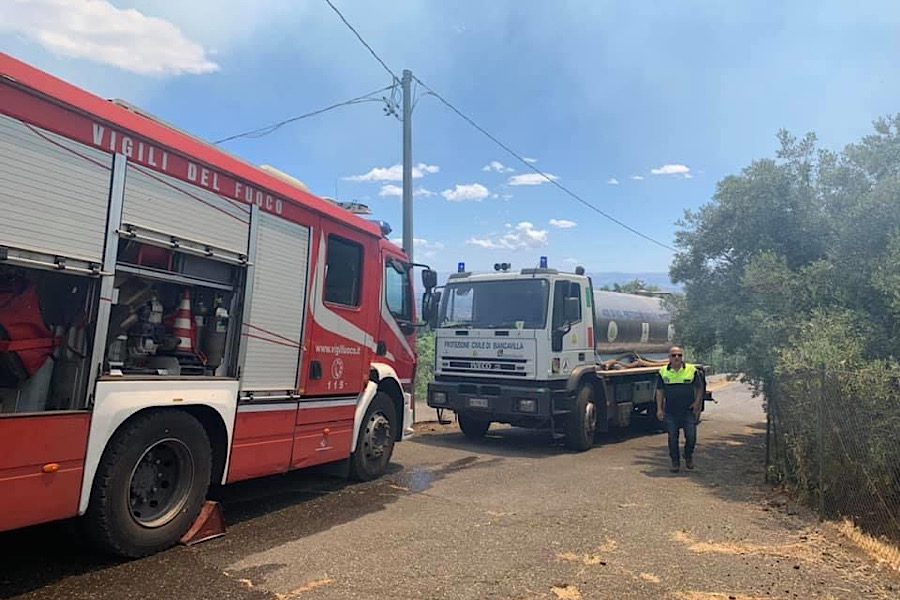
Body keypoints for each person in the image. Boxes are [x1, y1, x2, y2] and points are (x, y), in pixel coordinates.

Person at [655, 346, 704, 472]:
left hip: (688, 410)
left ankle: (688, 456)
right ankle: (675, 462)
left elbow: (700, 388)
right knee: (672, 437)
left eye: (679, 355)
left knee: (691, 436)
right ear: (669, 358)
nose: (677, 357)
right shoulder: (663, 372)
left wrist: (697, 403)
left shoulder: (691, 370)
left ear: (683, 357)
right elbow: (659, 391)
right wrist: (659, 409)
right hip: (671, 411)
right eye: (674, 355)